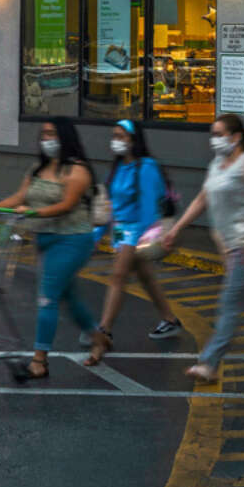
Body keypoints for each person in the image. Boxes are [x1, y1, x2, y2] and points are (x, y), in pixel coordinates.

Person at [168, 114, 244, 382]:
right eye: (213, 134)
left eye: (219, 134)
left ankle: (208, 363)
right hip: (234, 246)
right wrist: (177, 228)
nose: (214, 140)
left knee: (230, 303)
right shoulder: (217, 164)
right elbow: (202, 199)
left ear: (235, 137)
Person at [0, 117, 96, 379]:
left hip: (72, 239)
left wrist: (34, 213)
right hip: (46, 239)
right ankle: (98, 338)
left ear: (65, 137)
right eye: (43, 134)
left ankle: (39, 360)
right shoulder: (37, 169)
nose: (46, 139)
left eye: (51, 133)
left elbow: (67, 205)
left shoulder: (77, 171)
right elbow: (19, 198)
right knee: (68, 297)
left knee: (47, 297)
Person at [86, 120, 181, 364]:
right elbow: (111, 208)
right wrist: (96, 237)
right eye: (113, 135)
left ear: (133, 139)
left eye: (120, 135)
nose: (115, 140)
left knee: (118, 276)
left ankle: (104, 330)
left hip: (141, 231)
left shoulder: (146, 167)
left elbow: (149, 211)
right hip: (122, 231)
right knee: (145, 277)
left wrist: (134, 241)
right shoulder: (117, 168)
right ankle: (170, 320)